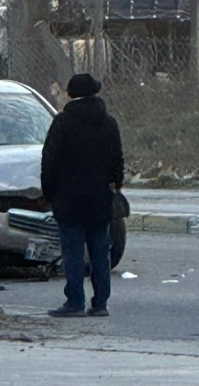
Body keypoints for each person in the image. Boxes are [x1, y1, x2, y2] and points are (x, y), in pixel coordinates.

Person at [41, 73, 125, 317]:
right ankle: (100, 303)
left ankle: (75, 301)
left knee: (73, 253)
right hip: (100, 198)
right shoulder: (109, 123)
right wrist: (116, 184)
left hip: (69, 200)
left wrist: (48, 193)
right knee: (100, 252)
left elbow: (49, 161)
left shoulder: (63, 123)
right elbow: (117, 160)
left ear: (71, 95)